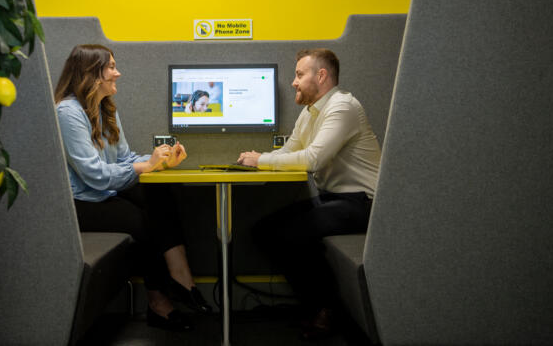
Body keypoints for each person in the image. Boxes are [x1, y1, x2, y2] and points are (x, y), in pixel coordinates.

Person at [54, 44, 212, 331]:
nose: (118, 73)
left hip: (103, 192)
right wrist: (146, 165)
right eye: (111, 67)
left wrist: (162, 159)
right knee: (140, 220)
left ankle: (180, 275)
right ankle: (161, 298)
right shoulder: (68, 112)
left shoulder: (105, 109)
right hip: (80, 202)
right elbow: (94, 176)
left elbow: (126, 159)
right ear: (92, 74)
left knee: (160, 192)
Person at [237, 48, 381, 340]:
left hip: (364, 203)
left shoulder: (342, 107)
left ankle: (326, 309)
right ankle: (319, 305)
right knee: (264, 231)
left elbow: (312, 158)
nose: (294, 82)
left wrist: (261, 161)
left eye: (300, 75)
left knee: (290, 234)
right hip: (334, 198)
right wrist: (258, 157)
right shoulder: (310, 112)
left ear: (322, 75)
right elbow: (291, 150)